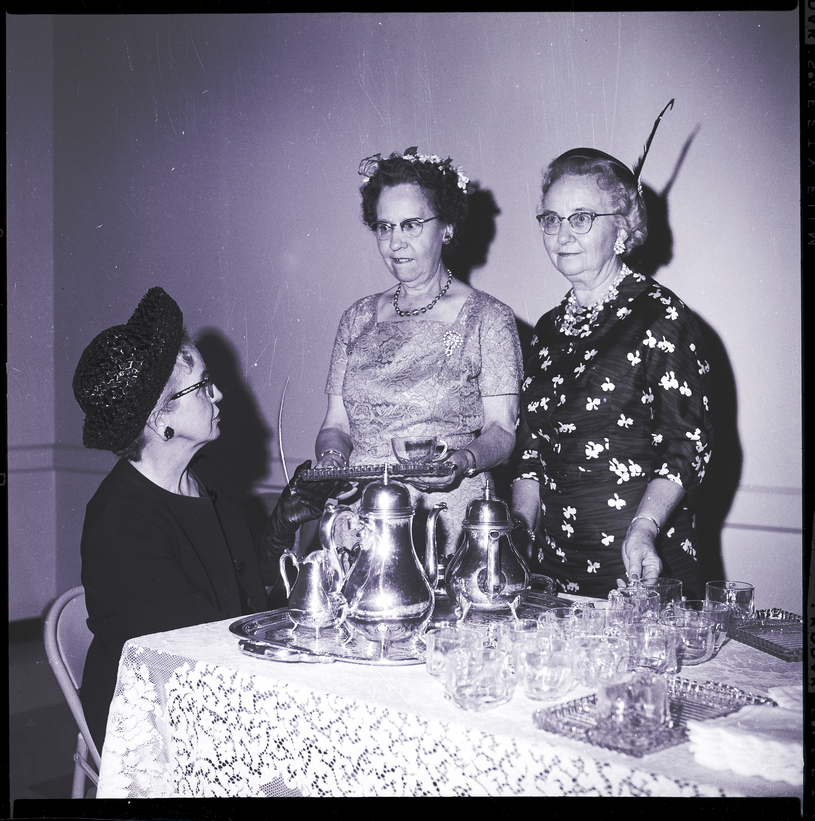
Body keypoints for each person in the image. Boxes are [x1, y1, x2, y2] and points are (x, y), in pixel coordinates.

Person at [72, 286, 335, 750]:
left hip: (218, 680)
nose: (218, 394)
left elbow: (240, 590)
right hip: (153, 715)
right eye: (202, 385)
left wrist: (284, 520)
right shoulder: (121, 521)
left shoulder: (207, 478)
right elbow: (190, 651)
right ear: (160, 419)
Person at [511, 107, 713, 599]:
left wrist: (644, 529)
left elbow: (688, 448)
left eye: (581, 218)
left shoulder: (660, 315)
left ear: (622, 231)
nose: (562, 234)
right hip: (552, 579)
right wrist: (517, 535)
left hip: (639, 569)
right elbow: (531, 454)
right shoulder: (547, 329)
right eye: (551, 219)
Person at [314, 148, 523, 561]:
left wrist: (463, 461)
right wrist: (332, 461)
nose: (395, 243)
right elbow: (335, 424)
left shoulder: (488, 317)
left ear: (446, 227)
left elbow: (502, 430)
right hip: (361, 517)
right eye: (384, 227)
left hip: (444, 518)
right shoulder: (356, 318)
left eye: (411, 225)